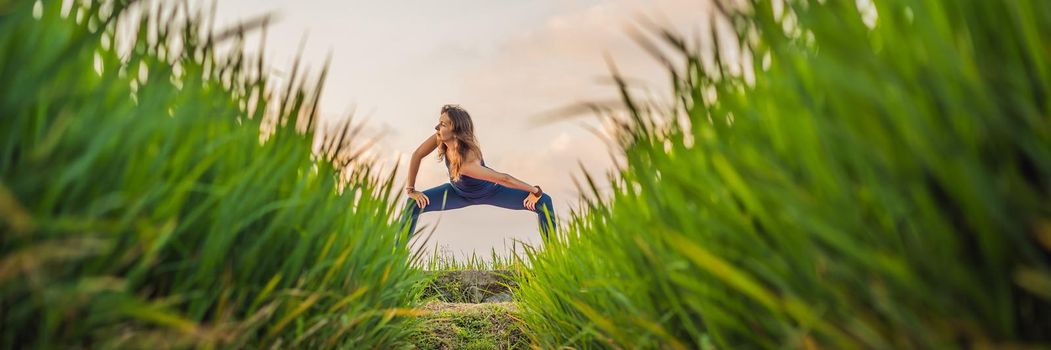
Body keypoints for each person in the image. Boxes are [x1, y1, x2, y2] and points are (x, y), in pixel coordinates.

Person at [400, 104, 556, 242]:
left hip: (492, 192)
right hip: (457, 193)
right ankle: (395, 262)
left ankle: (553, 260)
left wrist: (535, 191)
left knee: (544, 201)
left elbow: (504, 179)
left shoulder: (467, 161)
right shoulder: (440, 138)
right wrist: (411, 190)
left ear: (455, 130)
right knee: (412, 204)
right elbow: (417, 154)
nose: (436, 128)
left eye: (442, 124)